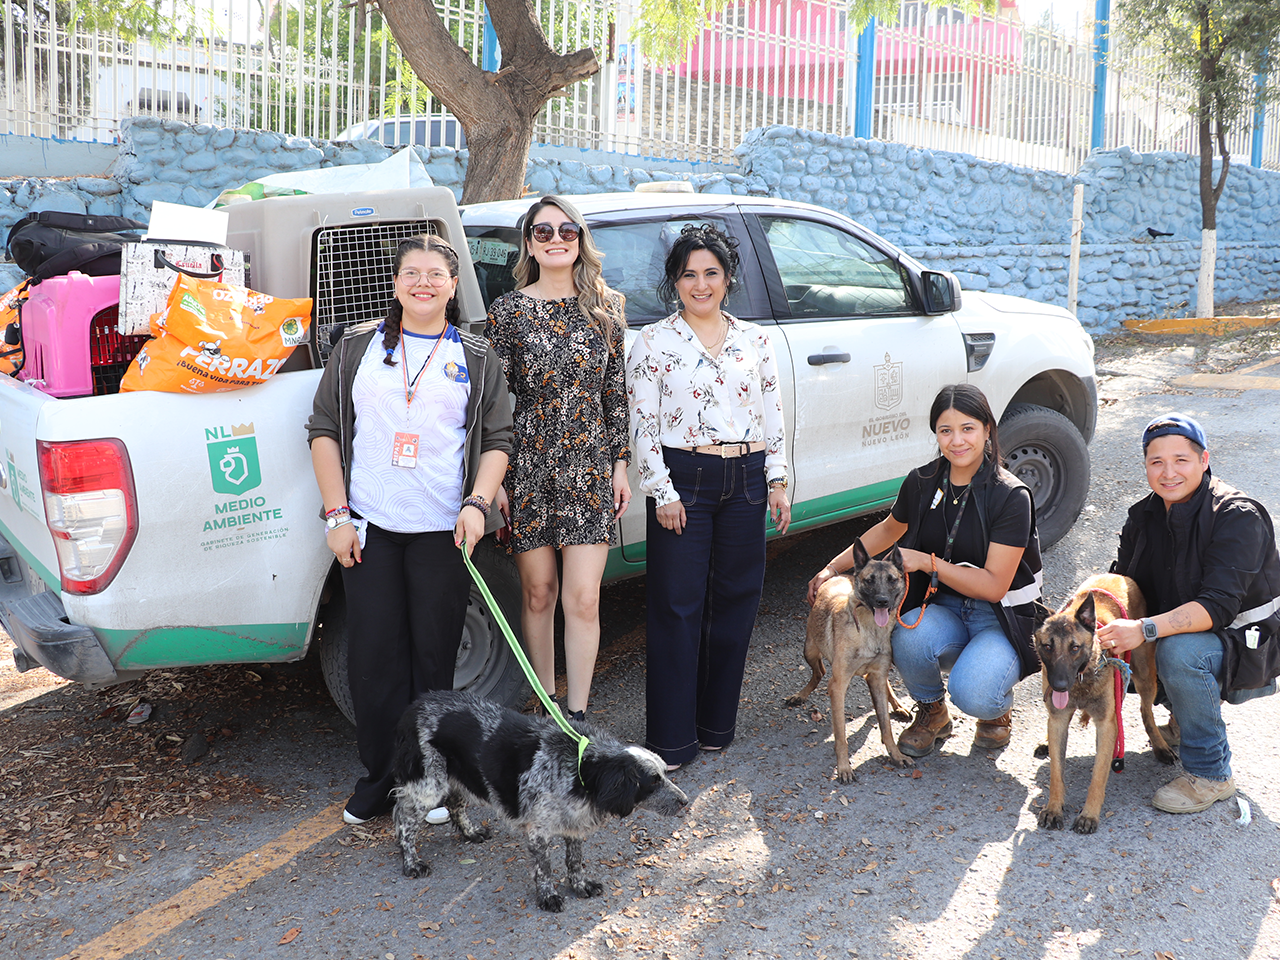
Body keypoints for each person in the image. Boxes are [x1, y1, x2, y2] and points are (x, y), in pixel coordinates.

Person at [308, 234, 512, 825]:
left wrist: (477, 503)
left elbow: (497, 441)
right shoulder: (355, 348)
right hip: (370, 527)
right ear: (395, 284)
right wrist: (337, 514)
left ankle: (432, 782)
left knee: (434, 663)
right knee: (374, 661)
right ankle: (379, 780)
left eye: (436, 274)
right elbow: (323, 430)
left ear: (453, 285)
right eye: (411, 273)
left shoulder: (476, 356)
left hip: (442, 531)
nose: (423, 283)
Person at [628, 222, 791, 770]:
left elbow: (773, 415)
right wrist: (662, 490)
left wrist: (777, 479)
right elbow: (642, 426)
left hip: (746, 477)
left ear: (728, 280)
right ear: (675, 282)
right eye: (689, 275)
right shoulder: (652, 342)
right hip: (683, 481)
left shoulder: (755, 341)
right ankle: (672, 741)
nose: (701, 285)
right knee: (677, 606)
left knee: (737, 600)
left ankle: (716, 725)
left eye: (712, 274)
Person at [808, 384, 1043, 757]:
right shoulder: (923, 481)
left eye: (968, 428)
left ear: (987, 429)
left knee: (976, 691)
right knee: (902, 635)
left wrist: (928, 563)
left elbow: (995, 586)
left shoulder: (1010, 495)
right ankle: (933, 712)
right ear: (936, 433)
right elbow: (888, 529)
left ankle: (995, 711)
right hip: (946, 607)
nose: (957, 441)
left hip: (999, 616)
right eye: (945, 430)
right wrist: (830, 568)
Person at [484, 196, 631, 721]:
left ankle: (577, 715)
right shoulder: (508, 311)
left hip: (589, 466)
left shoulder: (607, 307)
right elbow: (496, 400)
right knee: (539, 591)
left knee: (584, 598)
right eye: (543, 231)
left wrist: (620, 463)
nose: (555, 239)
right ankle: (545, 704)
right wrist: (495, 477)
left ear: (580, 239)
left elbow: (616, 392)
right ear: (528, 242)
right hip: (529, 466)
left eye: (567, 231)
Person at [1098, 414, 1280, 814]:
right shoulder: (1142, 516)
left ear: (1204, 460)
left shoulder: (1237, 515)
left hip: (1247, 645)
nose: (1168, 472)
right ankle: (1184, 717)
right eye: (1156, 462)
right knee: (1132, 641)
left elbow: (1217, 606)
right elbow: (1123, 584)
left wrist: (1143, 629)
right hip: (1179, 633)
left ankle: (1212, 773)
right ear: (1145, 466)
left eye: (1181, 460)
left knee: (1178, 653)